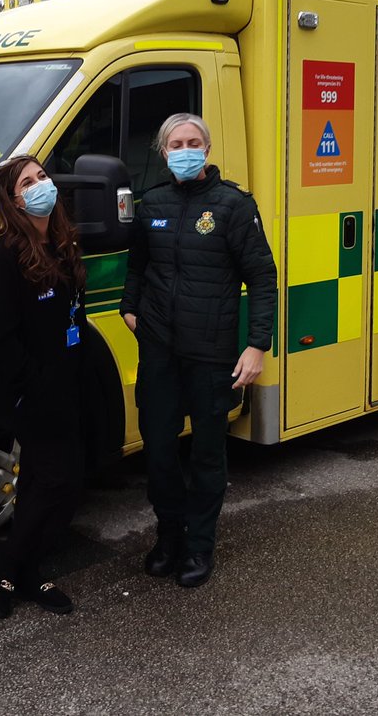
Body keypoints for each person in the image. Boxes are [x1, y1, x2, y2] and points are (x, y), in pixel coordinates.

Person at [120, 113, 277, 588]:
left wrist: (256, 346)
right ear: (164, 153)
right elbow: (137, 268)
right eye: (175, 144)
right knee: (161, 453)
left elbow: (263, 278)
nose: (184, 150)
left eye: (193, 142)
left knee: (207, 456)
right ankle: (169, 538)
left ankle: (199, 547)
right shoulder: (153, 204)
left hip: (211, 354)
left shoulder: (233, 205)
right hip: (160, 353)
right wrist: (131, 310)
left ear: (206, 150)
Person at [0, 155, 87, 618]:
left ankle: (26, 572)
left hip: (66, 385)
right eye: (27, 182)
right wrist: (32, 387)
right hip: (32, 395)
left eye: (43, 176)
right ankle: (4, 563)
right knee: (57, 479)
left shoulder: (61, 242)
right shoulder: (4, 255)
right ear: (12, 200)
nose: (40, 185)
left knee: (47, 481)